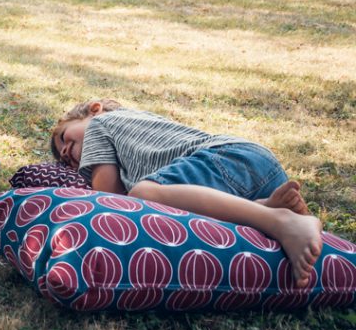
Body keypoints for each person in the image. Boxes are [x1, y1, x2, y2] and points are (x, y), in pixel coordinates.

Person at [50, 99, 323, 287]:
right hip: (253, 168)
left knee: (143, 193)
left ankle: (282, 223)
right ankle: (264, 206)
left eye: (63, 137)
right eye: (63, 161)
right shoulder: (140, 131)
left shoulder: (100, 125)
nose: (63, 153)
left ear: (94, 109)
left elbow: (109, 198)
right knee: (160, 198)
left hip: (227, 158)